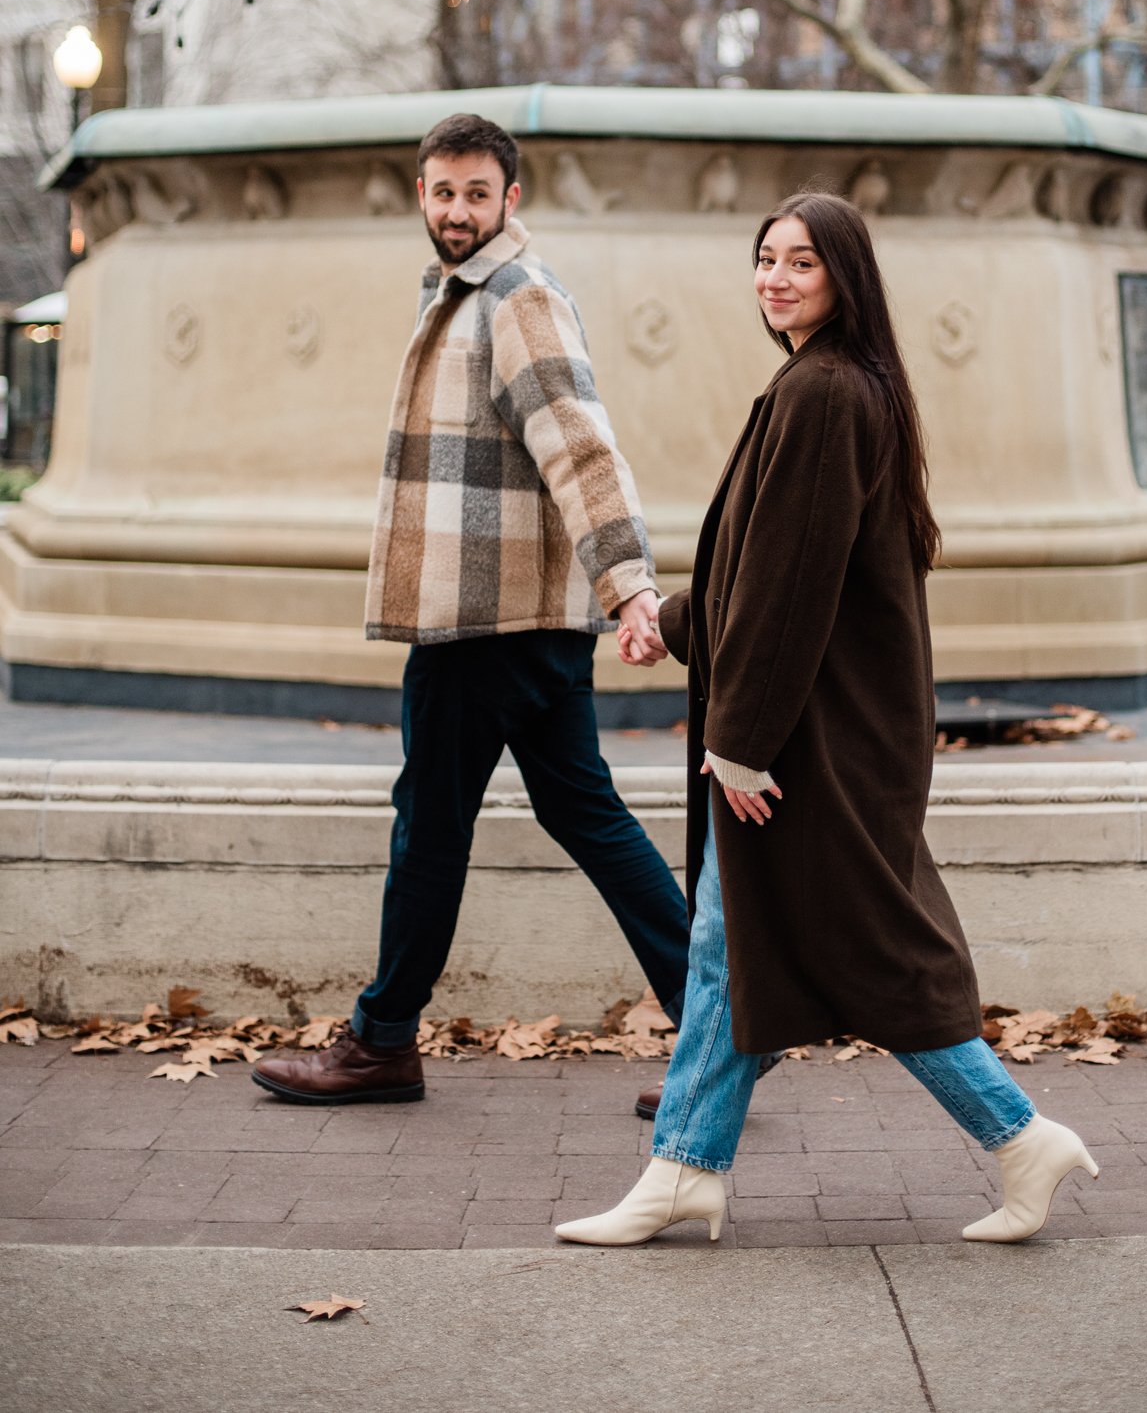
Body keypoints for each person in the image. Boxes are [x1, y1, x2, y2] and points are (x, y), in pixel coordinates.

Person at [557, 190, 1099, 1246]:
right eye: (765, 258)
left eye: (801, 262)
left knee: (871, 958)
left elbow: (791, 587)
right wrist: (668, 622)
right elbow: (765, 570)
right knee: (725, 949)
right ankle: (684, 1168)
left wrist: (739, 744)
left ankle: (1020, 1137)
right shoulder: (834, 385)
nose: (776, 277)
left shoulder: (824, 393)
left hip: (810, 744)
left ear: (844, 276)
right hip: (819, 728)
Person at [252, 113, 689, 1106]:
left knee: (430, 826)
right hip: (520, 618)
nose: (457, 211)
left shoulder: (516, 296)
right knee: (586, 815)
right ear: (422, 193)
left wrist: (631, 587)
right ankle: (720, 1024)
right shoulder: (462, 293)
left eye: (476, 195)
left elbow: (582, 446)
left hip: (485, 622)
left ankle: (380, 1041)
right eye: (442, 193)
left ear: (509, 200)